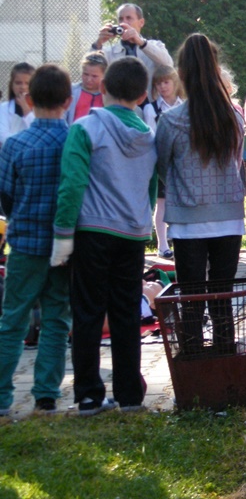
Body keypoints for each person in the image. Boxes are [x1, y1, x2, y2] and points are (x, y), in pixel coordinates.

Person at [52, 57, 158, 415]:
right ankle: (130, 396)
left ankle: (88, 395)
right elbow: (151, 187)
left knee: (88, 312)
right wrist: (143, 222)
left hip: (92, 231)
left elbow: (72, 184)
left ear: (103, 87)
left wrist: (63, 235)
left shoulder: (85, 128)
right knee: (127, 313)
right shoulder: (149, 137)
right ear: (142, 96)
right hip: (132, 234)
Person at [156, 34, 246, 353]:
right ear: (216, 68)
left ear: (182, 73)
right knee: (222, 298)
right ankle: (226, 361)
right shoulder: (234, 117)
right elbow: (238, 161)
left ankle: (193, 365)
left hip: (187, 220)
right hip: (229, 217)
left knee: (191, 300)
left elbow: (161, 166)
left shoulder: (171, 121)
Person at [0, 65, 73, 416]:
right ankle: (46, 394)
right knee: (57, 319)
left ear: (29, 99)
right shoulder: (75, 142)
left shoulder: (14, 145)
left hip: (25, 246)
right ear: (68, 101)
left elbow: (6, 197)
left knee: (12, 320)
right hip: (63, 247)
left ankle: (2, 396)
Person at [143, 65, 184, 260]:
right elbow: (152, 136)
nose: (162, 87)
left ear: (175, 83)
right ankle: (162, 245)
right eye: (158, 83)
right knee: (162, 203)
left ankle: (182, 240)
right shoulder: (151, 109)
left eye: (166, 82)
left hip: (182, 160)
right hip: (161, 161)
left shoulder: (184, 105)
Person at [92, 3, 173, 94]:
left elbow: (168, 64)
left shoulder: (155, 45)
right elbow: (90, 70)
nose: (124, 23)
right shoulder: (109, 52)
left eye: (129, 18)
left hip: (150, 100)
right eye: (120, 19)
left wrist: (141, 43)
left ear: (141, 22)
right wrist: (98, 44)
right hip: (120, 101)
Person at [66, 51, 108, 124]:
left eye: (94, 76)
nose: (89, 79)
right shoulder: (71, 91)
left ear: (104, 75)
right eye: (86, 74)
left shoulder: (108, 95)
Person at [0, 63, 35, 147]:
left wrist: (26, 111)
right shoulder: (3, 108)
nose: (23, 87)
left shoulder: (41, 108)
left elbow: (38, 132)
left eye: (27, 83)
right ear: (12, 85)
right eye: (18, 83)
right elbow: (3, 137)